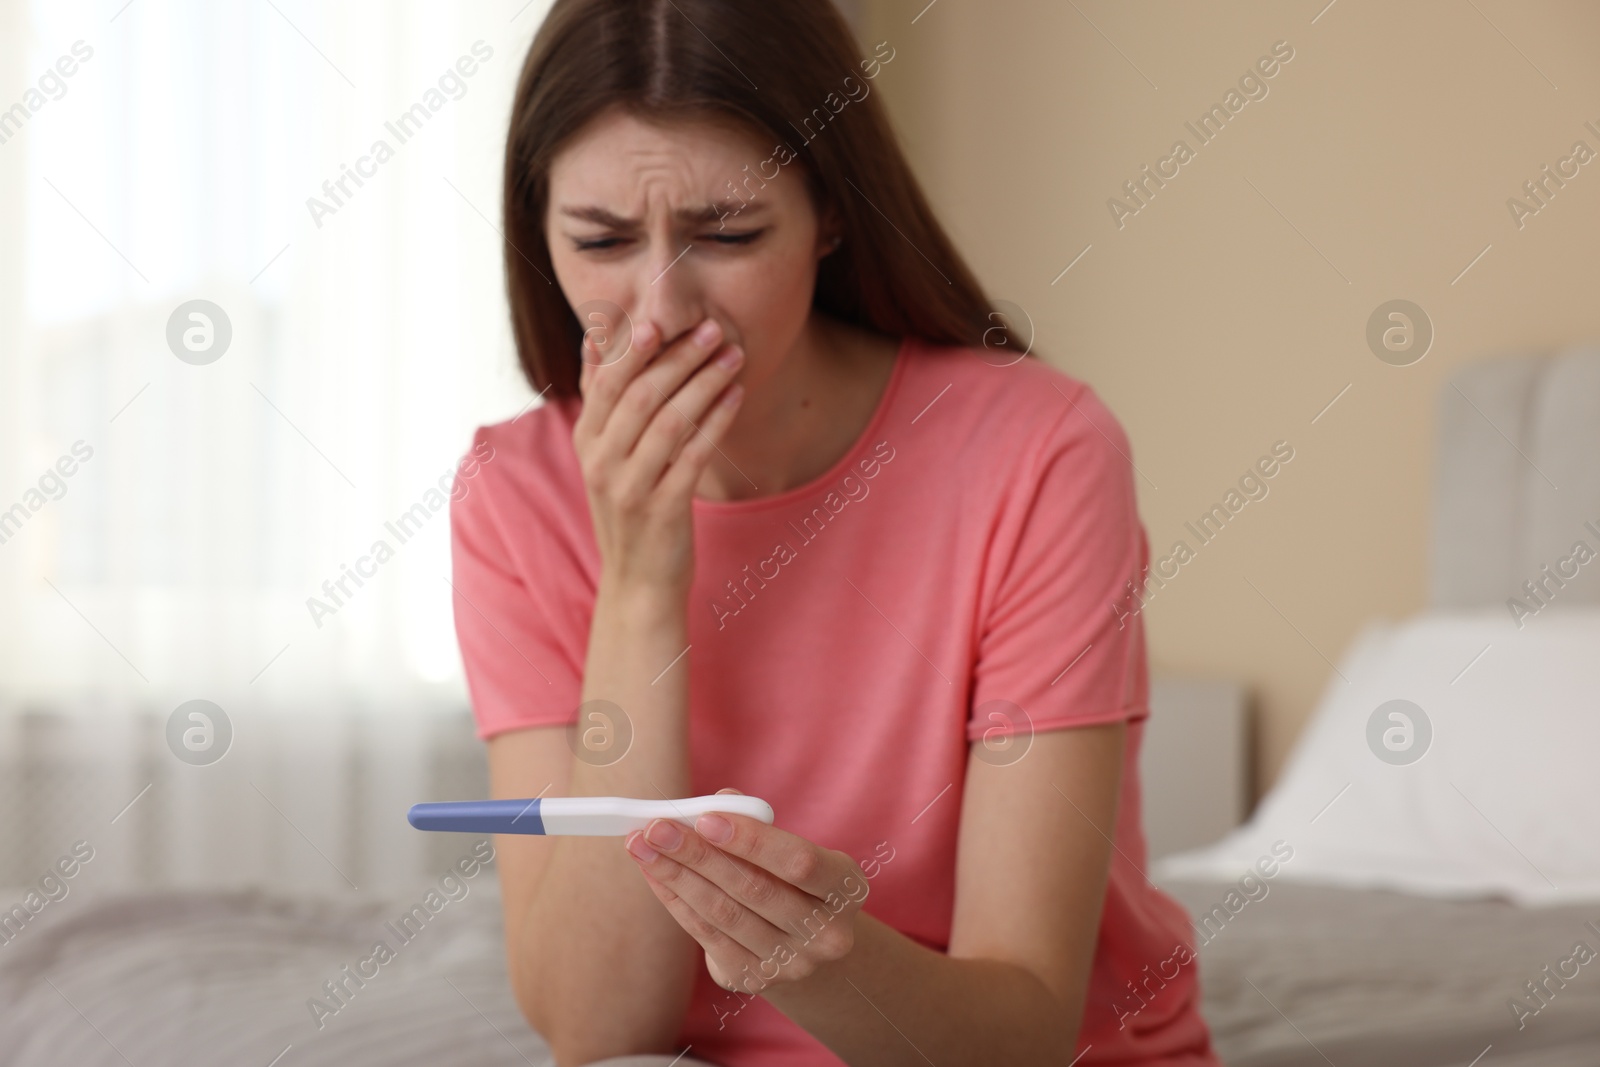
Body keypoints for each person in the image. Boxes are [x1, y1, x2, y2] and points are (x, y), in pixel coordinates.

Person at [448, 1, 1221, 1064]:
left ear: (832, 214)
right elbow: (597, 1025)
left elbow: (1028, 1023)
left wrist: (816, 952)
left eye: (728, 233)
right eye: (600, 241)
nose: (661, 311)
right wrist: (637, 581)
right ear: (538, 234)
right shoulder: (512, 491)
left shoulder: (1038, 451)